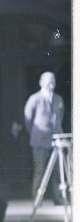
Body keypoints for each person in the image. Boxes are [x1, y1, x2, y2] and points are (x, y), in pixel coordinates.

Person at [23, 71, 65, 204]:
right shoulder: (34, 99)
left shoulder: (58, 99)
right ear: (41, 82)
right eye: (48, 80)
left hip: (56, 140)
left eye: (53, 80)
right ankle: (37, 198)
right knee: (40, 170)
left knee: (58, 171)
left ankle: (58, 198)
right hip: (40, 141)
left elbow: (61, 117)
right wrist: (37, 134)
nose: (51, 83)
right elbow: (28, 119)